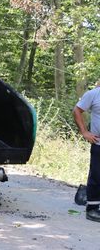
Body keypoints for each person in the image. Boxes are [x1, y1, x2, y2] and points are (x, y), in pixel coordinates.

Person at [73, 81, 100, 222]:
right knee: (97, 176)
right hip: (99, 144)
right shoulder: (94, 94)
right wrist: (84, 132)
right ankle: (92, 209)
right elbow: (77, 110)